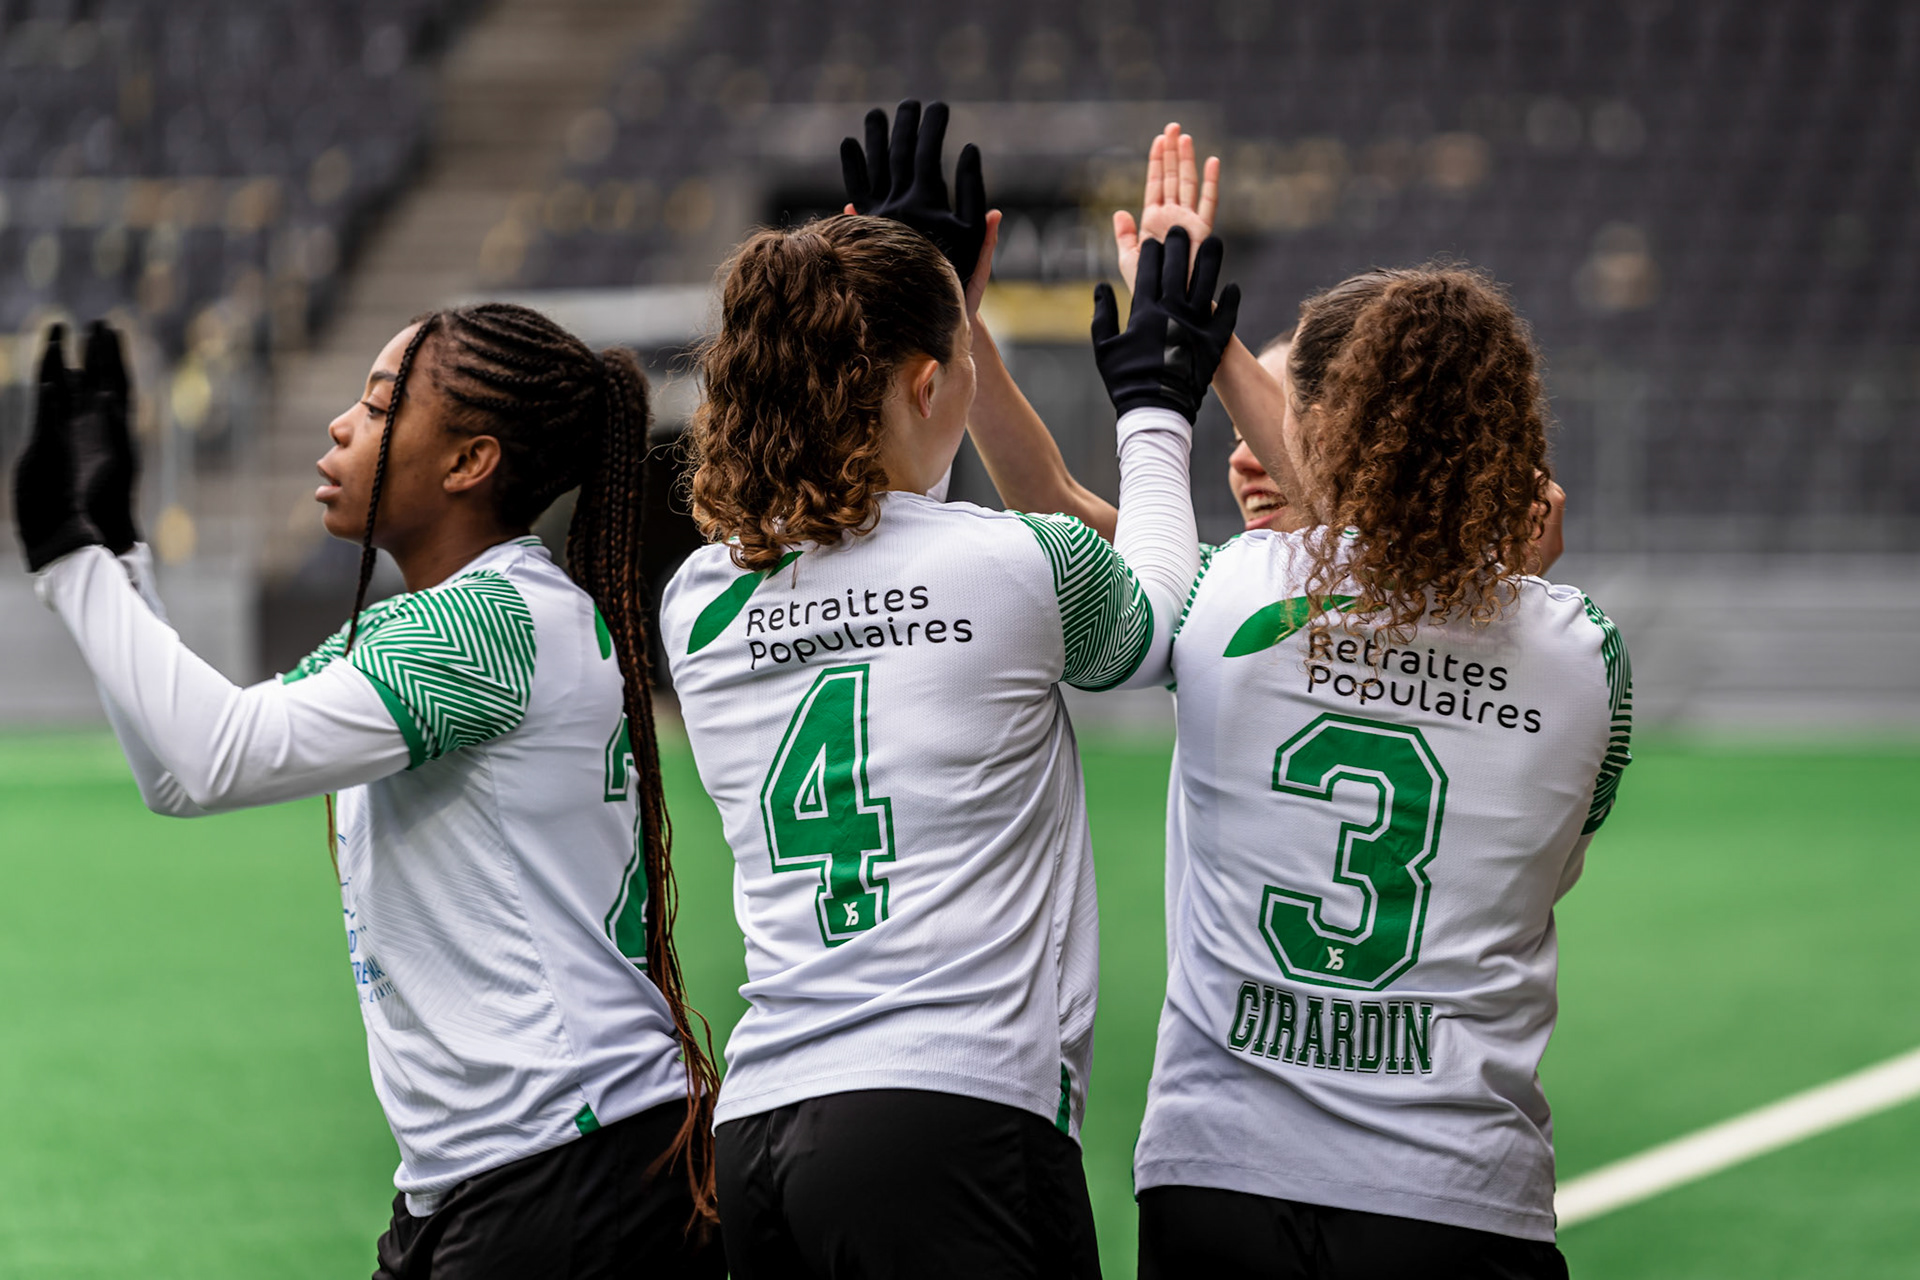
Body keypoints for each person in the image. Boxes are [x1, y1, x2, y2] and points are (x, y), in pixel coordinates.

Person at [14, 309, 724, 1279]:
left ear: (470, 461)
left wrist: (73, 558)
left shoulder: (482, 626)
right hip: (507, 1171)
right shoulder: (446, 627)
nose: (344, 424)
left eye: (382, 404)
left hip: (563, 1170)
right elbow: (180, 774)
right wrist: (112, 552)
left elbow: (215, 752)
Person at [659, 100, 1241, 1279]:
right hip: (952, 1118)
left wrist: (915, 297)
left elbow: (887, 509)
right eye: (965, 363)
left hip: (764, 1129)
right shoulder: (1006, 562)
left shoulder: (698, 597)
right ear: (928, 385)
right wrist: (1156, 413)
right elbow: (1157, 613)